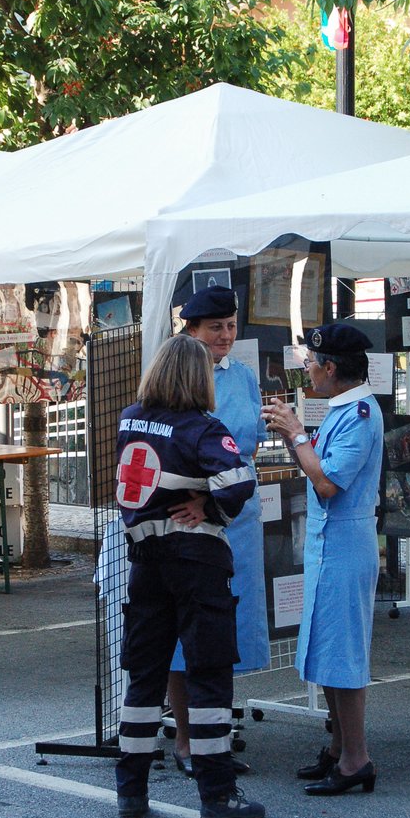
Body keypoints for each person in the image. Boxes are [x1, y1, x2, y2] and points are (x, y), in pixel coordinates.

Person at [114, 333, 265, 818]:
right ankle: (218, 796)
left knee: (145, 676)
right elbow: (239, 481)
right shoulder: (202, 428)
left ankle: (130, 791)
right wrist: (209, 506)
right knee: (208, 674)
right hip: (196, 558)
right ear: (198, 379)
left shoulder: (130, 418)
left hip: (145, 560)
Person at [262, 322, 384, 796]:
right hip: (328, 543)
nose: (308, 370)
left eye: (312, 363)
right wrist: (298, 435)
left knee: (344, 656)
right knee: (327, 649)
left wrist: (296, 434)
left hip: (345, 546)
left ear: (331, 368)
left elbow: (328, 482)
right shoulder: (341, 409)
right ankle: (338, 748)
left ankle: (357, 759)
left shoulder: (358, 414)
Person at [167, 285, 270, 777]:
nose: (225, 336)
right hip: (191, 517)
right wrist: (200, 499)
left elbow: (246, 447)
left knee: (227, 629)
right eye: (215, 328)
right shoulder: (175, 379)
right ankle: (187, 741)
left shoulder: (244, 378)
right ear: (191, 330)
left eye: (230, 326)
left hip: (238, 518)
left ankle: (217, 737)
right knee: (189, 632)